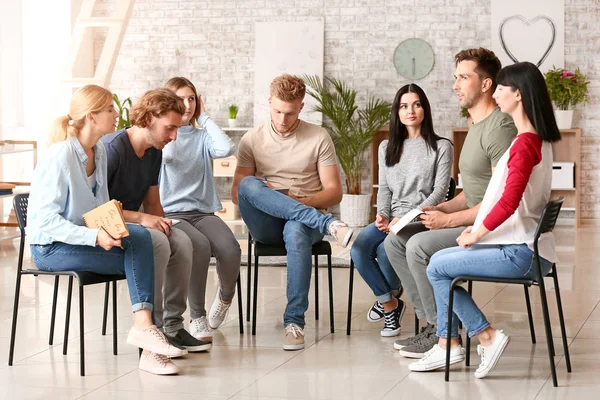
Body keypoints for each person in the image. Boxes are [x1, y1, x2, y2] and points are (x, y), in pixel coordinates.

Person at [409, 61, 561, 378]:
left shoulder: (524, 144)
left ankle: (483, 338)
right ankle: (450, 344)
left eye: (502, 88)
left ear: (517, 95)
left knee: (436, 266)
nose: (497, 94)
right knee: (439, 263)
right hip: (531, 248)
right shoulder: (539, 140)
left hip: (520, 252)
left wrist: (475, 234)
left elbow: (508, 201)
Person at [26, 85, 184, 375]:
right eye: (110, 109)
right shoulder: (60, 155)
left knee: (142, 240)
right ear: (91, 116)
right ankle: (148, 340)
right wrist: (95, 236)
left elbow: (97, 210)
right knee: (141, 249)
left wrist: (113, 225)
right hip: (51, 249)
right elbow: (46, 221)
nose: (116, 115)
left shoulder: (97, 151)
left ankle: (145, 332)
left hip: (81, 240)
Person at [384, 48, 517, 358]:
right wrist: (443, 208)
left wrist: (449, 221)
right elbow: (473, 193)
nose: (455, 85)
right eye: (455, 78)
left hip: (491, 228)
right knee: (395, 242)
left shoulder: (499, 129)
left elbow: (499, 200)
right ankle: (433, 324)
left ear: (485, 84)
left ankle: (443, 332)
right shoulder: (475, 127)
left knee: (418, 246)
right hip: (473, 217)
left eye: (463, 78)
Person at [231, 74, 353, 351]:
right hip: (266, 223)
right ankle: (329, 224)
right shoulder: (252, 139)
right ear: (269, 103)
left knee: (296, 227)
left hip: (302, 222)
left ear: (301, 106)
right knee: (250, 183)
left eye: (289, 112)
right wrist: (275, 197)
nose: (283, 120)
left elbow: (334, 192)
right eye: (277, 111)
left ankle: (294, 322)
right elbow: (238, 194)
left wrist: (298, 201)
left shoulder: (318, 137)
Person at [101, 89, 211, 353]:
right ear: (149, 118)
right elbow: (98, 211)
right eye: (170, 128)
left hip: (133, 221)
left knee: (182, 241)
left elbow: (153, 203)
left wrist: (162, 223)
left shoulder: (153, 151)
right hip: (107, 228)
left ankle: (173, 326)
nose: (173, 137)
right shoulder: (112, 149)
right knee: (158, 242)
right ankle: (155, 328)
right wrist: (144, 219)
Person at [350, 83, 453, 337]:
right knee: (359, 247)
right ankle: (390, 304)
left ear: (425, 109)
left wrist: (406, 218)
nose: (411, 111)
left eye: (416, 104)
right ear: (397, 111)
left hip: (421, 218)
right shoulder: (387, 147)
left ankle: (392, 305)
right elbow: (384, 188)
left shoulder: (442, 146)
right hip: (392, 217)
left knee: (387, 249)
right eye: (404, 106)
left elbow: (440, 193)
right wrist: (383, 215)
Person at [159, 77, 241, 342]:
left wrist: (204, 117)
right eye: (181, 99)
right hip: (172, 213)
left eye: (192, 98)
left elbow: (226, 148)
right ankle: (197, 317)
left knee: (231, 249)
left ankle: (225, 298)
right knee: (199, 247)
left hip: (202, 212)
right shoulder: (162, 136)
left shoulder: (203, 137)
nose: (187, 104)